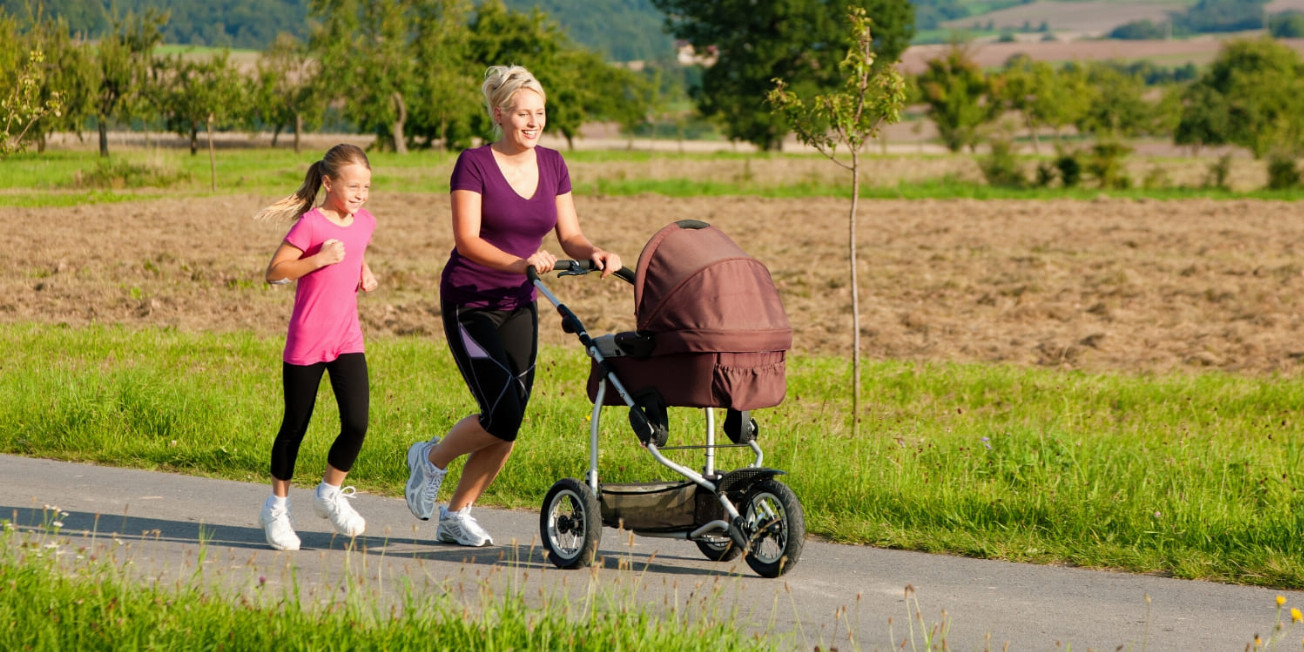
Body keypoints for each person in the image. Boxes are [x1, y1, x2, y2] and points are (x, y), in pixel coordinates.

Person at [404, 65, 622, 547]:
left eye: (540, 113)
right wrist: (520, 260)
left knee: (511, 419)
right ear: (500, 114)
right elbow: (466, 240)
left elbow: (569, 234)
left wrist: (594, 253)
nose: (533, 121)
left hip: (520, 302)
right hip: (472, 301)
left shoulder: (554, 163)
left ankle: (456, 515)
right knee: (500, 411)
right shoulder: (474, 163)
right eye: (523, 113)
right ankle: (431, 459)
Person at [253, 143, 379, 551]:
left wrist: (363, 269)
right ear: (328, 182)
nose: (361, 194)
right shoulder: (310, 225)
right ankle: (276, 508)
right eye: (353, 186)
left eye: (366, 186)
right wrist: (319, 259)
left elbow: (354, 249)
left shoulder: (364, 222)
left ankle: (329, 492)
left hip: (347, 337)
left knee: (357, 423)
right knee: (295, 426)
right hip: (308, 337)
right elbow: (275, 272)